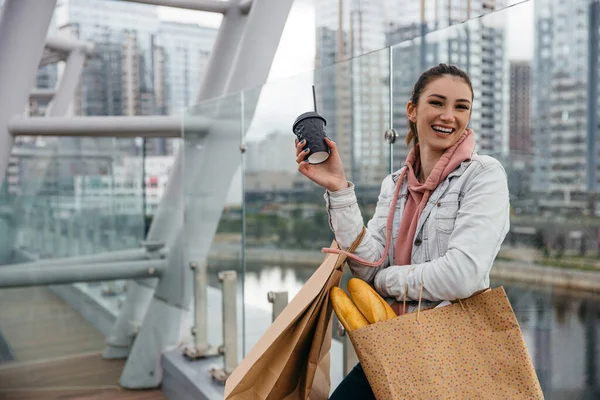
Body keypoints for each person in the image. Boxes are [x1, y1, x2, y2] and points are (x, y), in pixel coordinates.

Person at [294, 63, 510, 399]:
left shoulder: (484, 175)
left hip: (452, 351)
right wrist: (338, 189)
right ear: (412, 110)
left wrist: (385, 281)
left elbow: (463, 275)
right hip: (393, 344)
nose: (449, 116)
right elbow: (366, 266)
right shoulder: (394, 184)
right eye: (437, 103)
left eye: (461, 107)